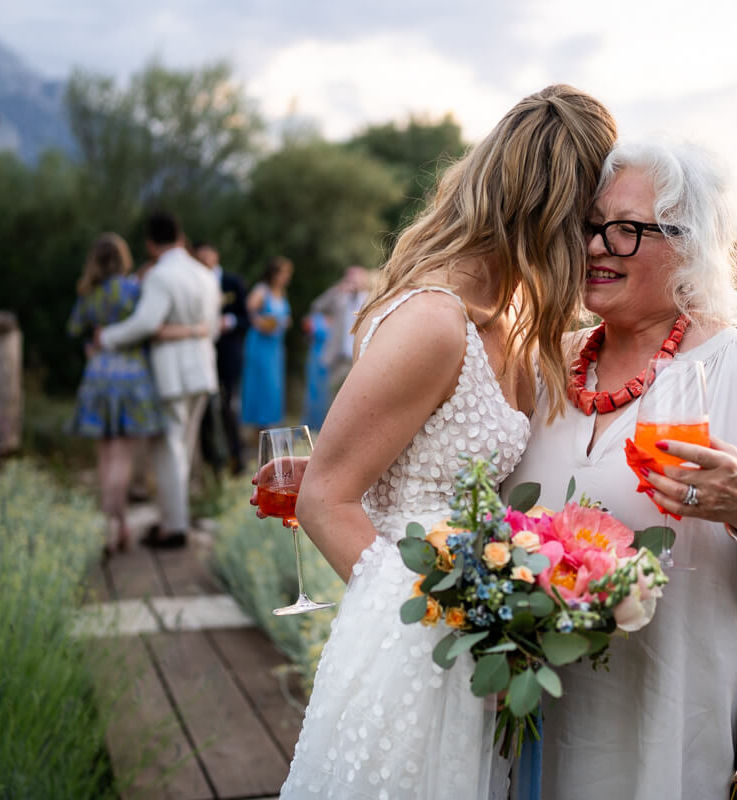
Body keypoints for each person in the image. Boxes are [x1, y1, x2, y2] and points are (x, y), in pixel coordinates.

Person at [259, 84, 617, 799]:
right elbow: (327, 500)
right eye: (593, 222)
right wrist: (453, 630)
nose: (599, 244)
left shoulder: (507, 320)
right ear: (553, 214)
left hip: (470, 651)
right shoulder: (433, 321)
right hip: (415, 655)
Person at [507, 138, 737, 800]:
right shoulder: (545, 364)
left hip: (671, 734)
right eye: (589, 226)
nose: (597, 246)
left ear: (690, 246)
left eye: (627, 229)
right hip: (537, 717)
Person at [97, 211, 221, 549]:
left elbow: (146, 322)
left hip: (172, 374)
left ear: (151, 244)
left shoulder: (159, 275)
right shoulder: (204, 273)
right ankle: (173, 519)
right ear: (179, 237)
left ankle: (174, 527)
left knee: (169, 451)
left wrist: (106, 337)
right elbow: (211, 326)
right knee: (184, 449)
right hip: (203, 368)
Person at [67, 233, 167, 554]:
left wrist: (92, 342)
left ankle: (116, 526)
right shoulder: (133, 290)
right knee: (122, 459)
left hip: (97, 375)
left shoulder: (89, 292)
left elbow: (74, 328)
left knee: (105, 457)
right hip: (131, 379)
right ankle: (112, 526)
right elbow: (147, 326)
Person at [195, 241, 249, 475]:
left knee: (229, 406)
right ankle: (212, 462)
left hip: (228, 353)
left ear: (215, 255)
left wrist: (231, 321)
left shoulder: (232, 282)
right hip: (203, 353)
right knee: (205, 409)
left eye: (207, 255)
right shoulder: (193, 283)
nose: (204, 260)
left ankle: (236, 458)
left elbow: (246, 318)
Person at [240, 256, 293, 431]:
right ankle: (258, 429)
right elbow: (249, 310)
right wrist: (261, 322)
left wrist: (285, 322)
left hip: (275, 348)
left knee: (274, 387)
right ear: (274, 273)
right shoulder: (262, 290)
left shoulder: (281, 292)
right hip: (260, 346)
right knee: (262, 386)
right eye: (284, 273)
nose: (286, 277)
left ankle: (270, 426)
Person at [309, 265, 371, 398]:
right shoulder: (339, 297)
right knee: (332, 397)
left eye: (357, 279)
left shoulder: (369, 300)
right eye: (351, 279)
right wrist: (337, 290)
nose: (354, 283)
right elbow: (317, 306)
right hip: (337, 358)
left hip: (359, 359)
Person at [300, 309, 330, 431]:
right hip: (316, 359)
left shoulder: (339, 318)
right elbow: (306, 333)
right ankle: (311, 427)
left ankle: (322, 427)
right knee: (313, 394)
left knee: (325, 395)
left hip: (329, 362)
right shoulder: (316, 319)